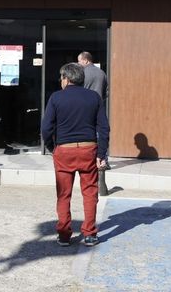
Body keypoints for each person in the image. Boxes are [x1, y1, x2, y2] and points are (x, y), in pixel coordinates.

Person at [41, 63, 110, 247]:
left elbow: (46, 128)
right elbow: (103, 128)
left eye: (61, 78)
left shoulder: (56, 98)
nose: (60, 81)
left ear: (66, 78)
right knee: (90, 193)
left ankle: (64, 234)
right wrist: (102, 153)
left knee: (64, 194)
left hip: (64, 149)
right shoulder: (94, 97)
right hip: (88, 148)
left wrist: (52, 147)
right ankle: (90, 234)